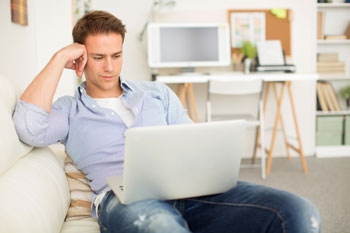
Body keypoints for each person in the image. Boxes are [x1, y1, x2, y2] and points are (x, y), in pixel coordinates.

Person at [13, 10, 321, 233]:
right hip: (125, 200)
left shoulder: (157, 93)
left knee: (298, 211)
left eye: (117, 55)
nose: (110, 67)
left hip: (188, 191)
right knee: (162, 227)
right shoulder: (69, 110)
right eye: (98, 57)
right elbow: (28, 126)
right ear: (79, 57)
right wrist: (57, 59)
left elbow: (191, 141)